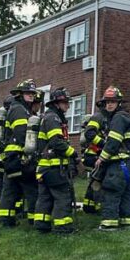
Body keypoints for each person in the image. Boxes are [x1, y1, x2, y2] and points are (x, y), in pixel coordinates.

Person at [92, 86, 130, 229]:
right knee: (127, 193)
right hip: (128, 164)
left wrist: (101, 158)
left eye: (112, 101)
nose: (109, 104)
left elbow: (113, 142)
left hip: (118, 164)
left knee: (111, 191)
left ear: (119, 103)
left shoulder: (118, 118)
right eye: (107, 102)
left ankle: (109, 224)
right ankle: (127, 222)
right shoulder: (127, 117)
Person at [0, 80, 39, 228]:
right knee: (31, 187)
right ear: (20, 94)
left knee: (10, 189)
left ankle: (5, 220)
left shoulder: (19, 108)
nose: (31, 96)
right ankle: (34, 220)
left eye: (33, 93)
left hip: (11, 157)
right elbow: (21, 133)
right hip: (19, 156)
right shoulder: (20, 110)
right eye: (28, 93)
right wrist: (28, 153)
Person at [34, 88, 76, 235]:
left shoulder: (50, 116)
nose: (68, 106)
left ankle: (42, 225)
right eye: (65, 103)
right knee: (62, 197)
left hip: (44, 168)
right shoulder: (53, 118)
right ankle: (63, 227)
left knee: (45, 197)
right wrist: (73, 153)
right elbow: (56, 142)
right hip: (53, 167)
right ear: (56, 104)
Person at [79, 104, 108, 213]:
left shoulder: (98, 118)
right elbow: (90, 135)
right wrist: (104, 144)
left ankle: (88, 206)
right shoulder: (99, 118)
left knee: (93, 181)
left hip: (89, 156)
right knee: (98, 182)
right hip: (94, 156)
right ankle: (98, 206)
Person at [0, 95, 14, 215]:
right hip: (5, 152)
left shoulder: (2, 116)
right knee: (5, 180)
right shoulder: (9, 117)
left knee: (0, 178)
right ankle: (1, 203)